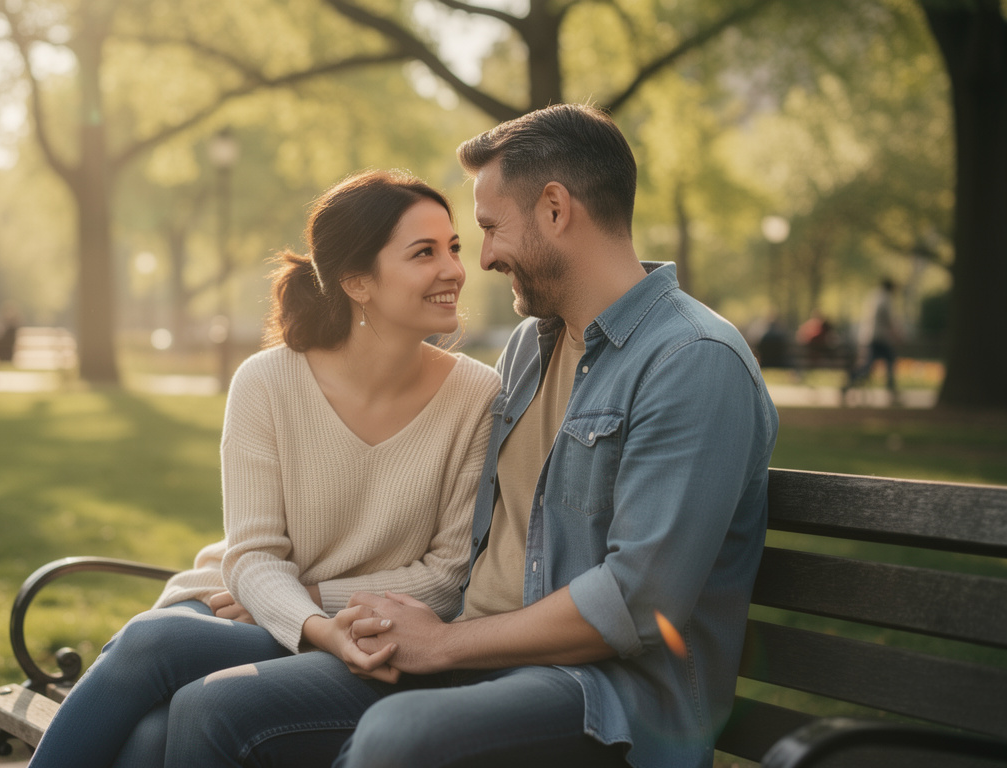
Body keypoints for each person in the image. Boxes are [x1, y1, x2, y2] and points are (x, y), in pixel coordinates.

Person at [166, 104, 778, 768]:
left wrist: (442, 645)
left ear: (554, 209)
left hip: (607, 697)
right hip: (474, 656)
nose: (481, 258)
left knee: (396, 739)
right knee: (210, 706)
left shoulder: (691, 359)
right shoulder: (529, 348)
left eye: (488, 229)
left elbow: (637, 604)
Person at [25, 170, 500, 768]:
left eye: (453, 247)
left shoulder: (477, 397)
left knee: (155, 721)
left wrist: (308, 600)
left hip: (357, 630)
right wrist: (306, 618)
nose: (455, 268)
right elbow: (251, 557)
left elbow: (447, 575)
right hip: (234, 604)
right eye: (424, 252)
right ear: (357, 281)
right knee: (154, 662)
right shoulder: (267, 382)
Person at [847, 278, 901, 399]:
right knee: (889, 360)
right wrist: (897, 335)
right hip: (879, 338)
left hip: (870, 336)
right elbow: (888, 321)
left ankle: (851, 379)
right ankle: (891, 387)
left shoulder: (874, 296)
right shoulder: (885, 299)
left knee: (869, 364)